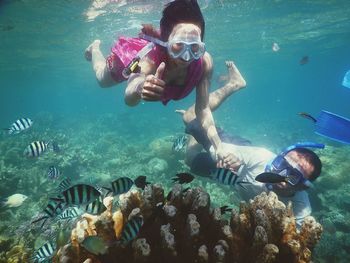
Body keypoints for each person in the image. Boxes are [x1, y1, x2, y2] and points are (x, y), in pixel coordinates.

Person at [177, 62, 324, 228]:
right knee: (190, 117)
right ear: (278, 158)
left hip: (238, 181)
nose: (281, 175)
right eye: (281, 164)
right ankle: (234, 84)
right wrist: (227, 157)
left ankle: (200, 133)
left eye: (293, 177)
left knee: (191, 158)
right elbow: (224, 152)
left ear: (303, 186)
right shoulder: (261, 157)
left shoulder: (301, 209)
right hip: (242, 154)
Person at [85, 0, 234, 163]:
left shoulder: (205, 63)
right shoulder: (150, 60)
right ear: (167, 42)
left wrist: (219, 146)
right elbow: (129, 96)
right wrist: (140, 88)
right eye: (179, 46)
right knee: (102, 79)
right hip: (129, 59)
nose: (187, 56)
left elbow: (204, 110)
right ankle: (95, 48)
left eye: (194, 47)